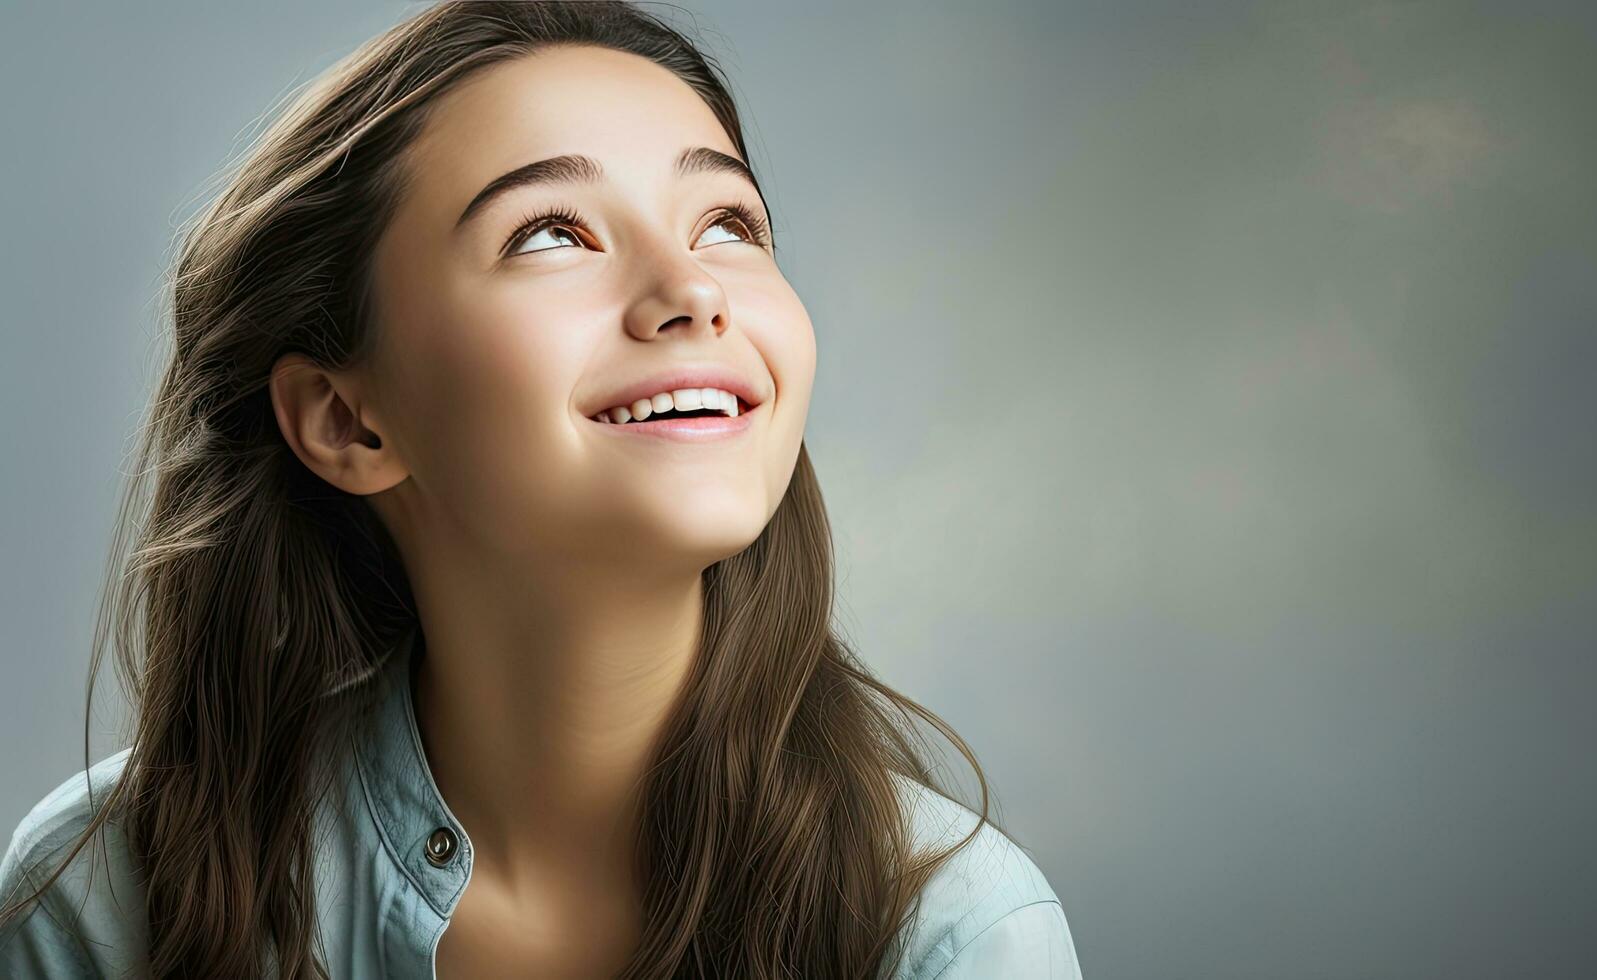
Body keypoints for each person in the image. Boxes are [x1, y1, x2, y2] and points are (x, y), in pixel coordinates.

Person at [0, 3, 1081, 977]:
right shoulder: (98, 901)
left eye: (728, 224)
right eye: (551, 233)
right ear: (347, 419)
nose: (693, 289)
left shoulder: (953, 931)